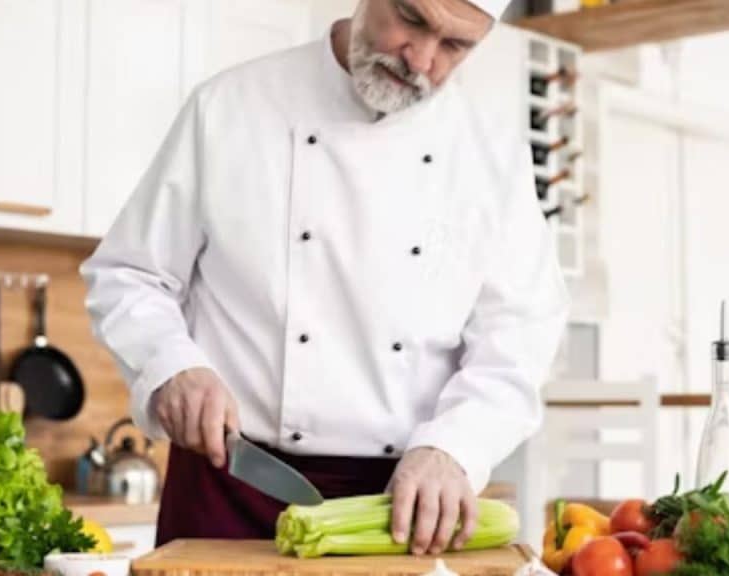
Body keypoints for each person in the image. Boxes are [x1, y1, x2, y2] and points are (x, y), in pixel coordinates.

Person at [81, 0, 568, 556]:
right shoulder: (230, 107)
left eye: (455, 46)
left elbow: (522, 335)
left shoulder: (490, 156)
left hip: (398, 513)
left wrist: (455, 448)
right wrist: (173, 367)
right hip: (229, 486)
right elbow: (129, 273)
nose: (421, 58)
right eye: (411, 18)